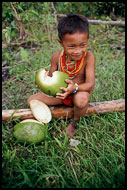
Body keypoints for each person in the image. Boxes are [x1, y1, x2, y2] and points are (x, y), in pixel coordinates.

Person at [27, 14, 95, 138]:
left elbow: (90, 84)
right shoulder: (56, 57)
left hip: (78, 92)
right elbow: (52, 78)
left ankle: (75, 122)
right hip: (61, 94)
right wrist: (43, 81)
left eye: (83, 45)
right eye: (72, 46)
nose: (78, 51)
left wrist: (74, 88)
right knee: (32, 100)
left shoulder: (89, 57)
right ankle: (47, 117)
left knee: (81, 100)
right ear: (61, 42)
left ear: (87, 41)